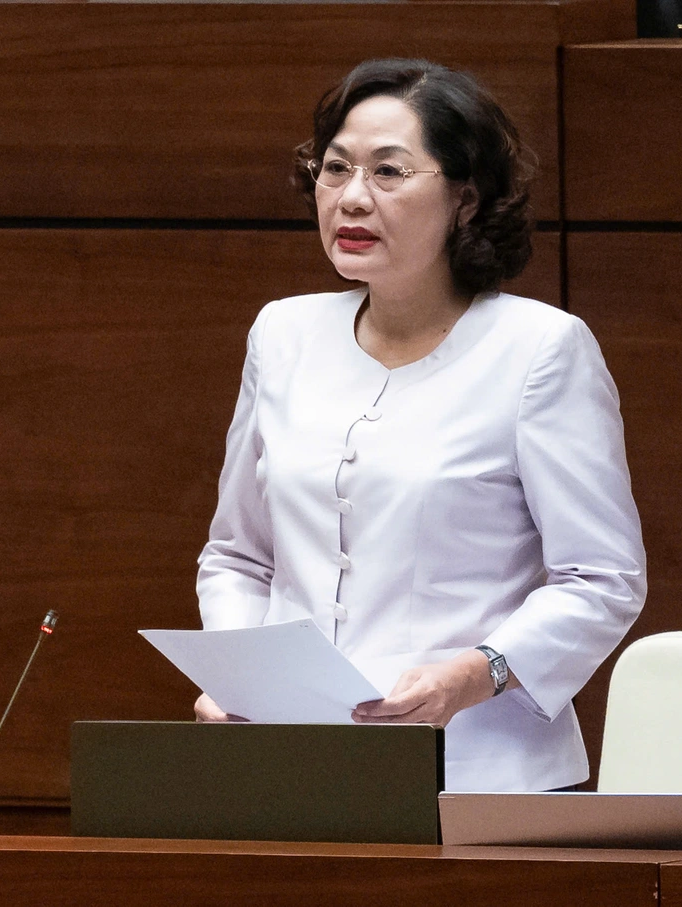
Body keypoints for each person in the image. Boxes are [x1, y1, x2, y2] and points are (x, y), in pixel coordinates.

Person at [193, 58, 646, 792]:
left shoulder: (539, 350)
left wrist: (476, 673)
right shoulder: (283, 334)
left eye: (389, 172)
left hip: (481, 772)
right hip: (292, 768)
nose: (352, 198)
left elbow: (602, 577)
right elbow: (238, 558)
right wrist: (241, 674)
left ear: (465, 198)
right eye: (334, 169)